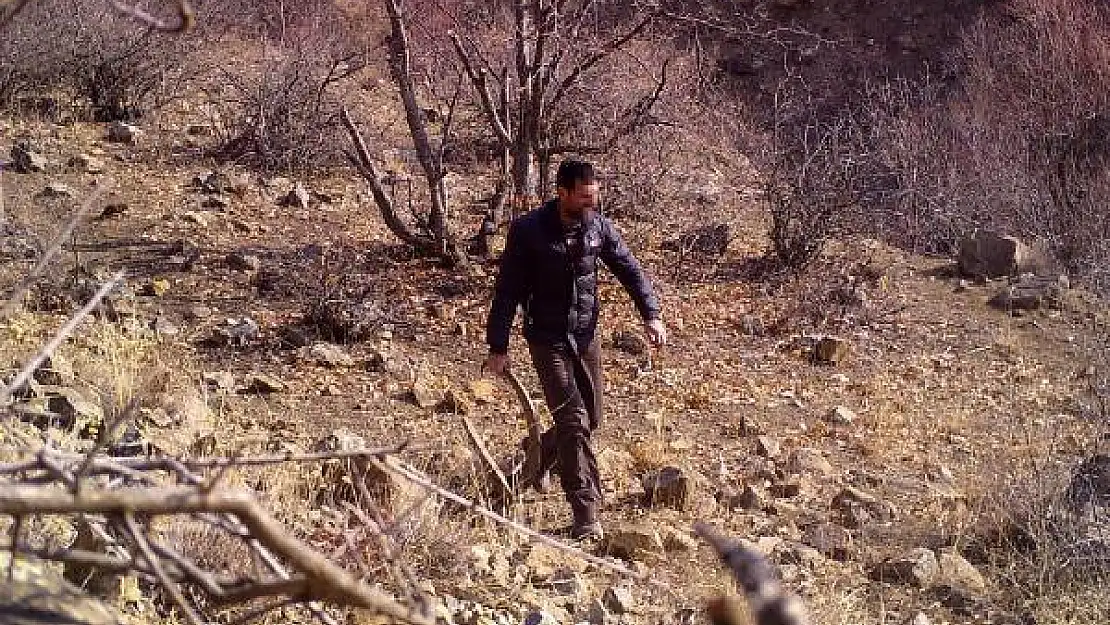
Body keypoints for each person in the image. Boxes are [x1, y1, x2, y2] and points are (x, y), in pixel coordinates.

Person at [483, 158, 667, 539]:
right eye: (583, 198)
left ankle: (531, 460)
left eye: (594, 198)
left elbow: (629, 269)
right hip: (546, 339)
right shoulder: (528, 231)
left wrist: (651, 314)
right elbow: (507, 293)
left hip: (585, 337)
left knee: (591, 420)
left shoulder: (598, 227)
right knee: (572, 420)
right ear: (562, 192)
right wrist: (498, 345)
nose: (590, 205)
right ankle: (586, 513)